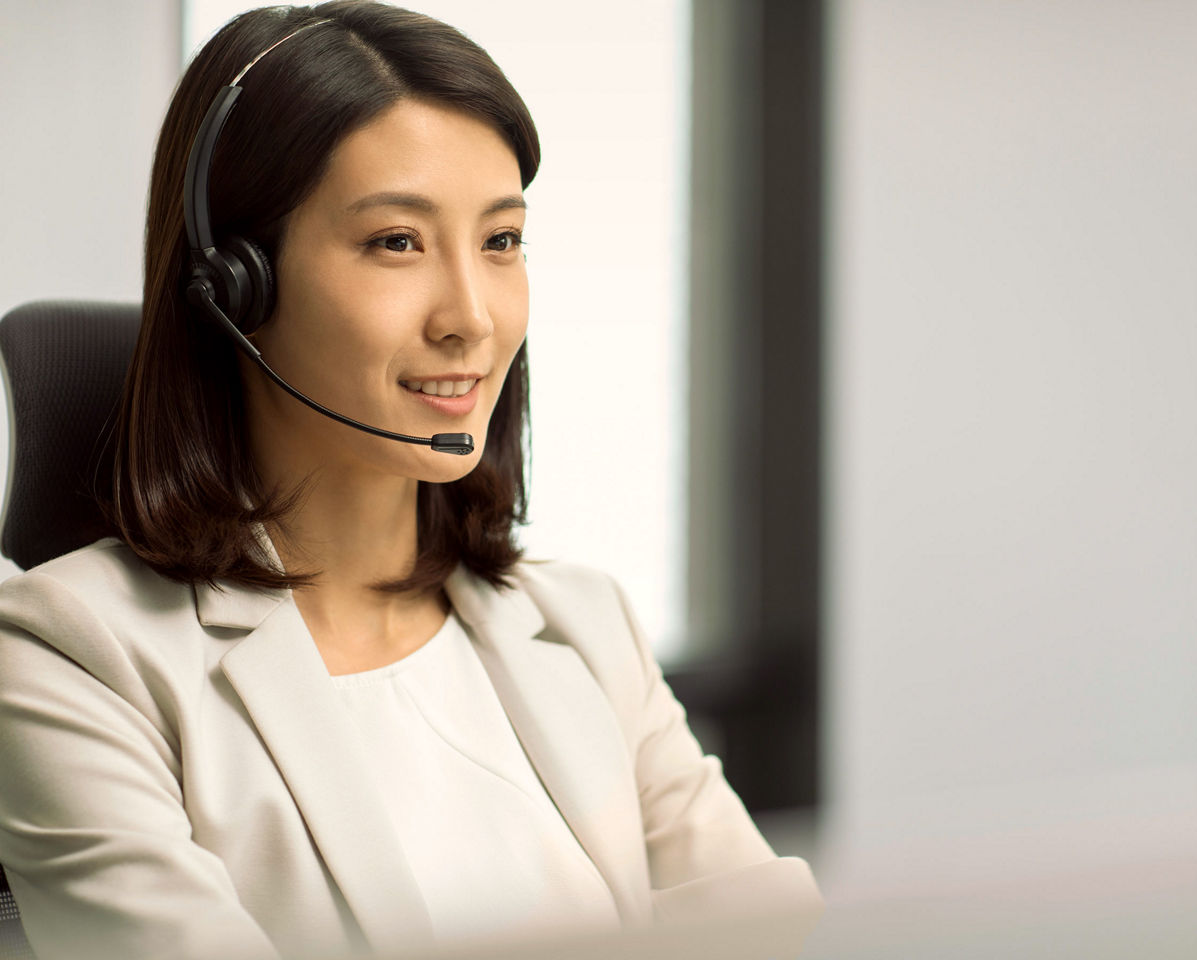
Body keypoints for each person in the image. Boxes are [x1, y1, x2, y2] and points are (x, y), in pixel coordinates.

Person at [0, 3, 823, 958]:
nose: (471, 318)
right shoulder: (73, 659)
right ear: (235, 285)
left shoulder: (587, 628)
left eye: (501, 241)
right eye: (398, 242)